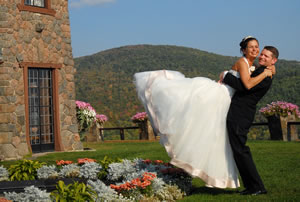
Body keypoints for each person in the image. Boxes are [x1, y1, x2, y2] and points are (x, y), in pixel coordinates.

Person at [133, 36, 273, 189]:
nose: (255, 50)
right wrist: (229, 75)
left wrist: (228, 75)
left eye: (257, 47)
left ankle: (235, 181)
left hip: (229, 102)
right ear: (244, 50)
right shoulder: (243, 62)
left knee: (216, 138)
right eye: (251, 47)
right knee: (195, 116)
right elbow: (246, 84)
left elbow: (244, 83)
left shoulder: (253, 66)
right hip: (221, 96)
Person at [221, 45, 279, 195]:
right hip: (238, 113)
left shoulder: (266, 76)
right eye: (262, 54)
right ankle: (252, 186)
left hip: (241, 115)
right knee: (238, 150)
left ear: (274, 61)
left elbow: (244, 87)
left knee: (241, 150)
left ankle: (258, 186)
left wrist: (226, 76)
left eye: (266, 56)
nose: (262, 57)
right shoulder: (262, 71)